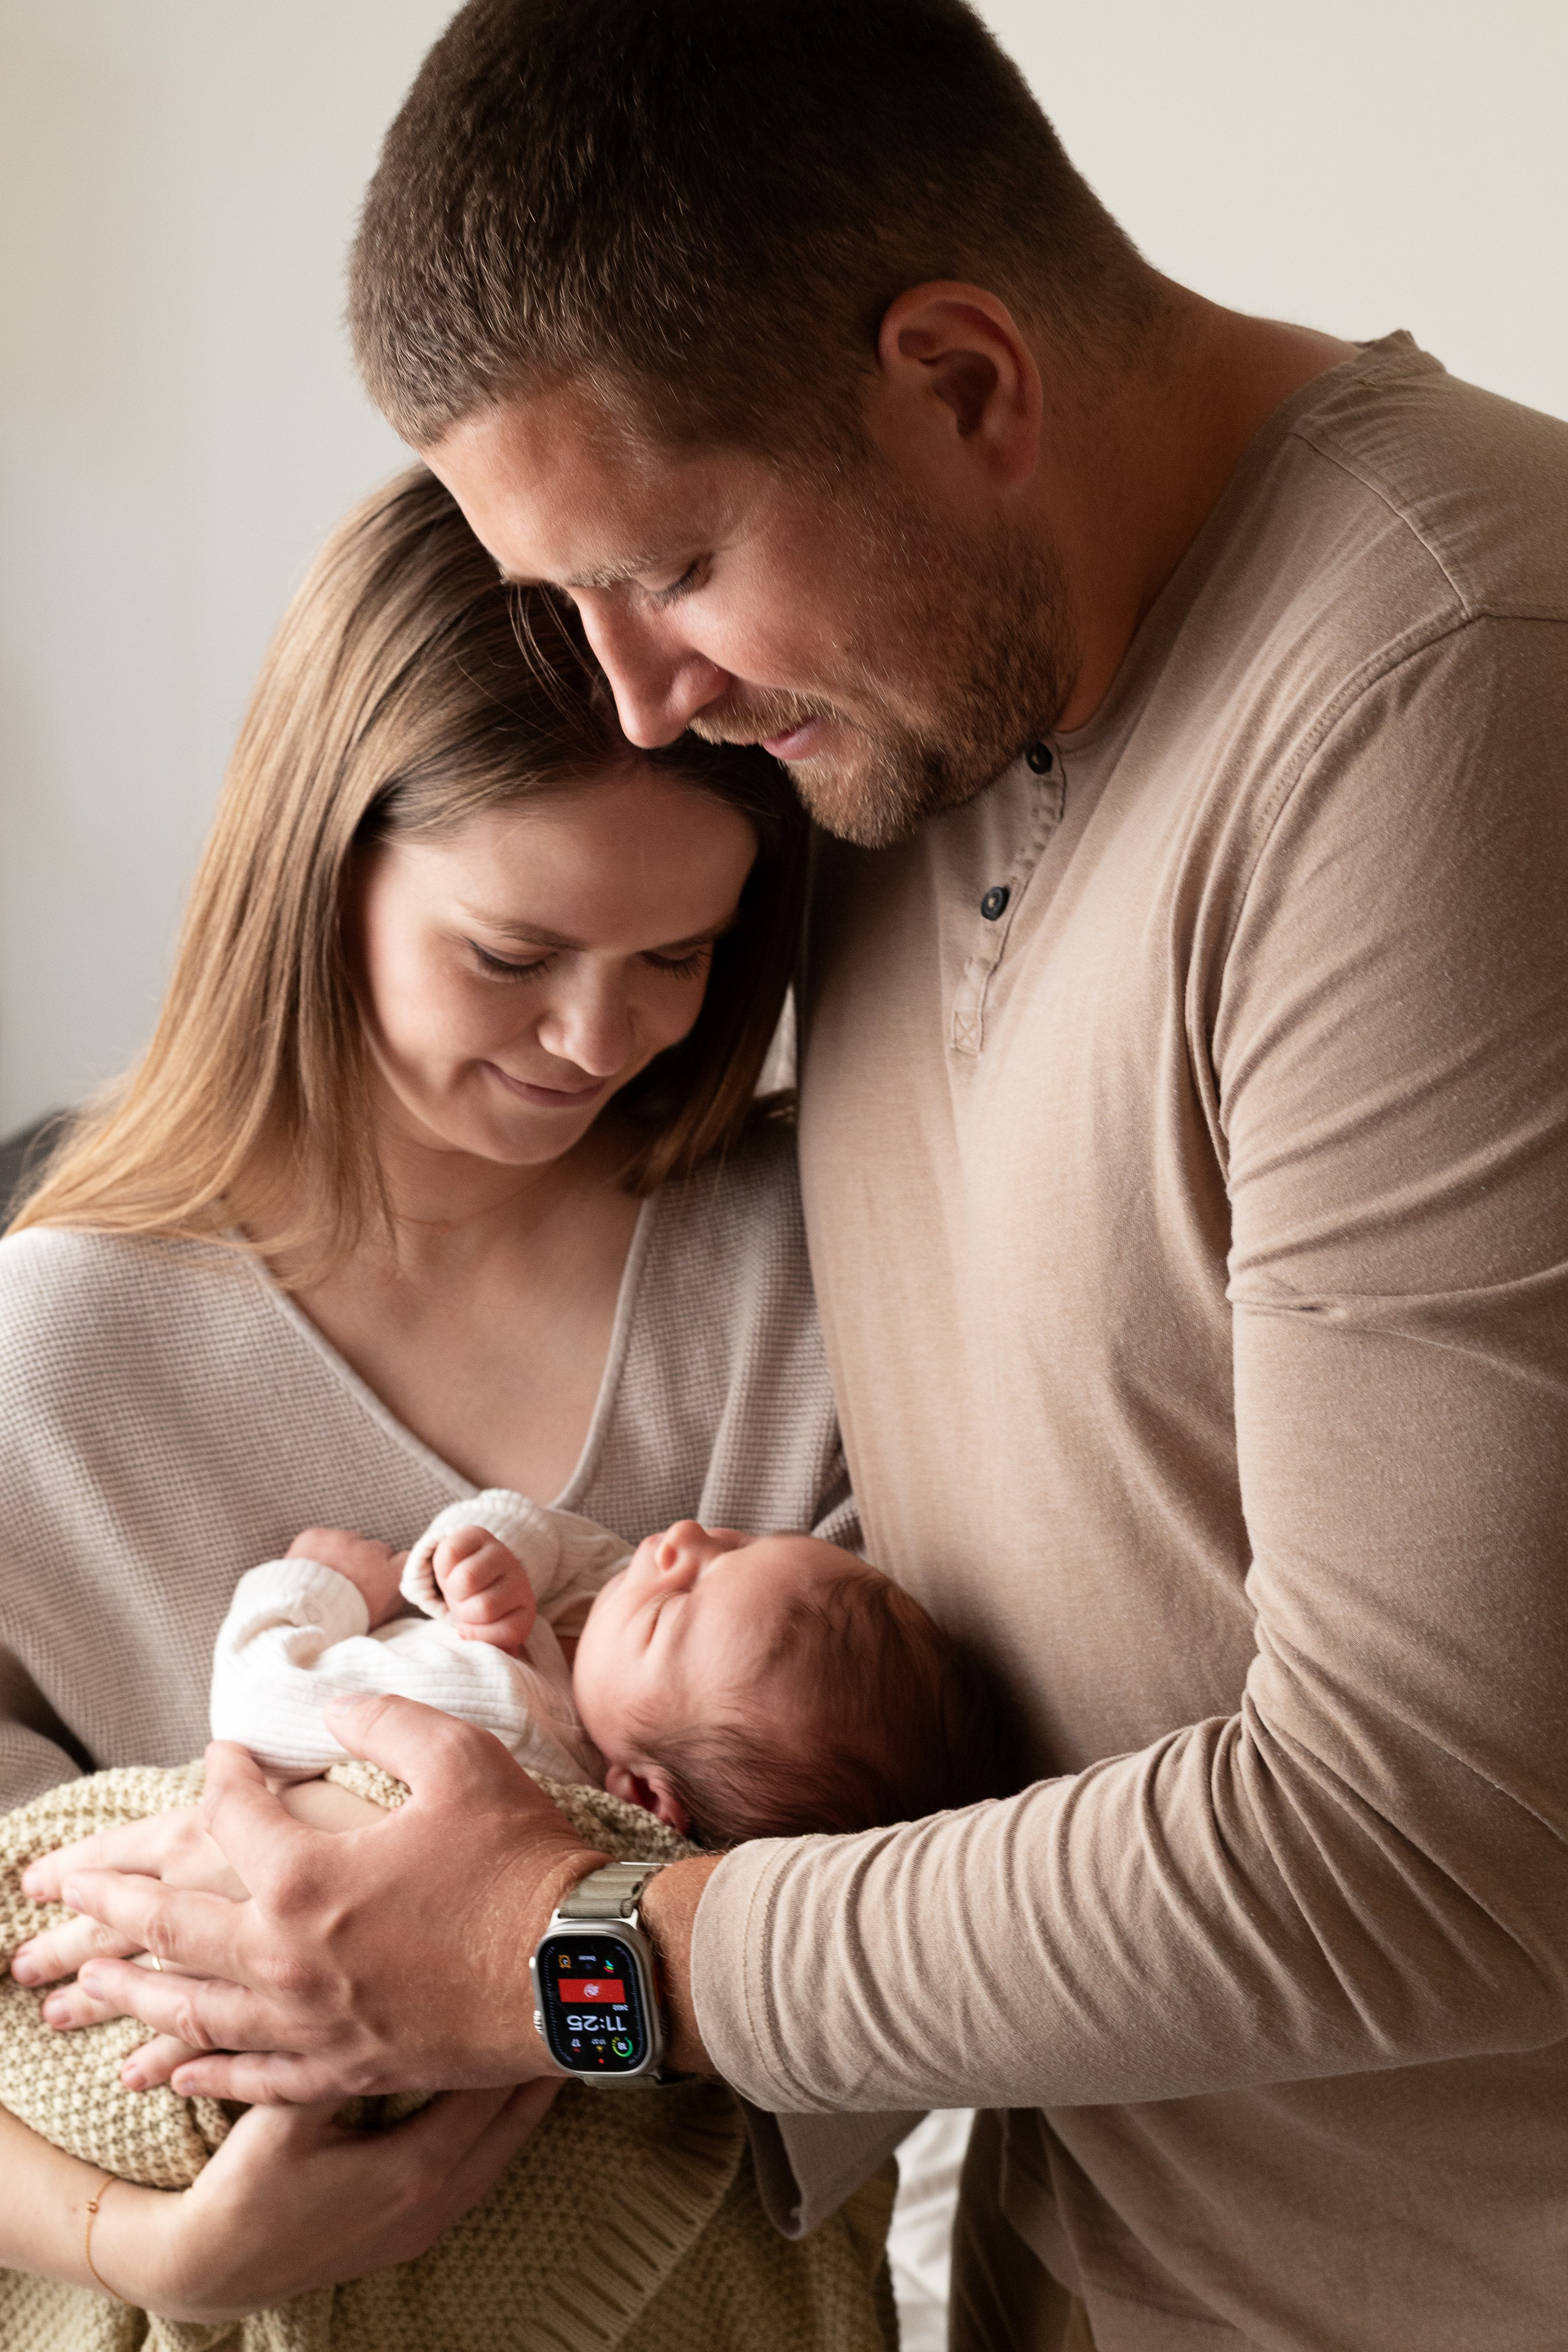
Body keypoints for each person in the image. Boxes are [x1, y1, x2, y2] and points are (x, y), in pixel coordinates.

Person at [24, 3, 1568, 2346]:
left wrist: (559, 1963)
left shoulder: (1443, 696)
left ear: (960, 380)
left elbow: (1452, 1836)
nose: (640, 696)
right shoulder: (910, 733)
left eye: (667, 568)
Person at [0, 461, 889, 2329]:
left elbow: (897, 1932)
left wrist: (520, 1970)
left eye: (680, 957)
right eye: (511, 955)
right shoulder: (59, 1348)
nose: (597, 1038)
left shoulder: (810, 1279)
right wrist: (145, 2244)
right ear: (325, 861)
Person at [206, 1499, 1006, 1839]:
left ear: (647, 1796)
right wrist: (491, 1551)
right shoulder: (623, 1689)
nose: (679, 1538)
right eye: (737, 1545)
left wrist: (322, 1586)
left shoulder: (499, 1716)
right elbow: (584, 1553)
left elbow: (256, 1702)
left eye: (674, 1601)